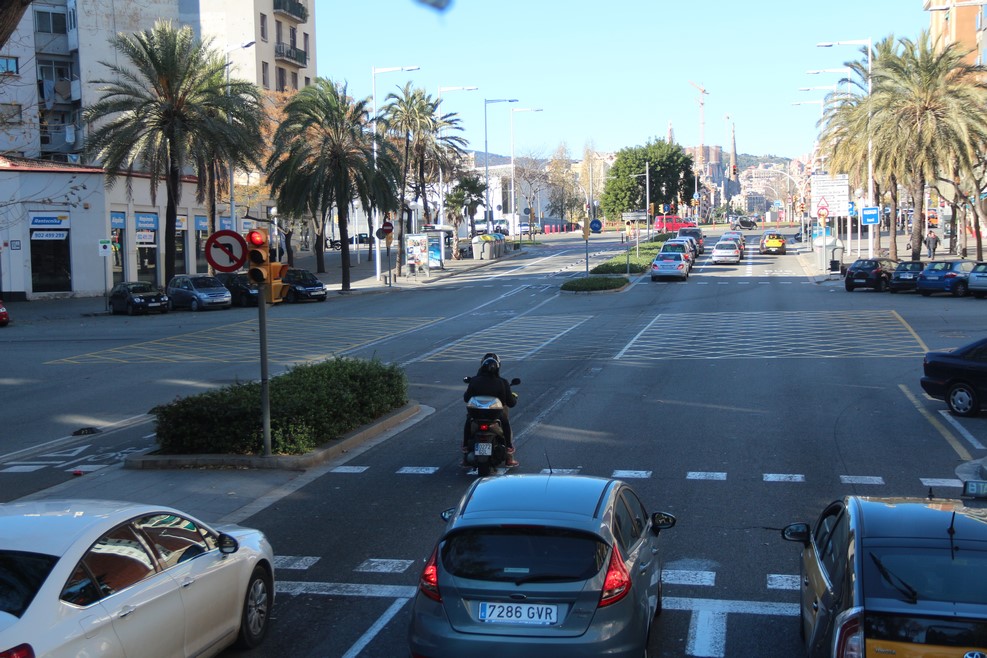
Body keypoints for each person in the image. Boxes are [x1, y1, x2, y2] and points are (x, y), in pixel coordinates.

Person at [462, 353, 518, 467]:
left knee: (468, 421)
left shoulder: (474, 380)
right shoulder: (502, 382)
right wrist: (514, 398)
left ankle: (465, 450)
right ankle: (509, 453)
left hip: (476, 415)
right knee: (505, 424)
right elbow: (510, 402)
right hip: (494, 416)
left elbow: (466, 398)